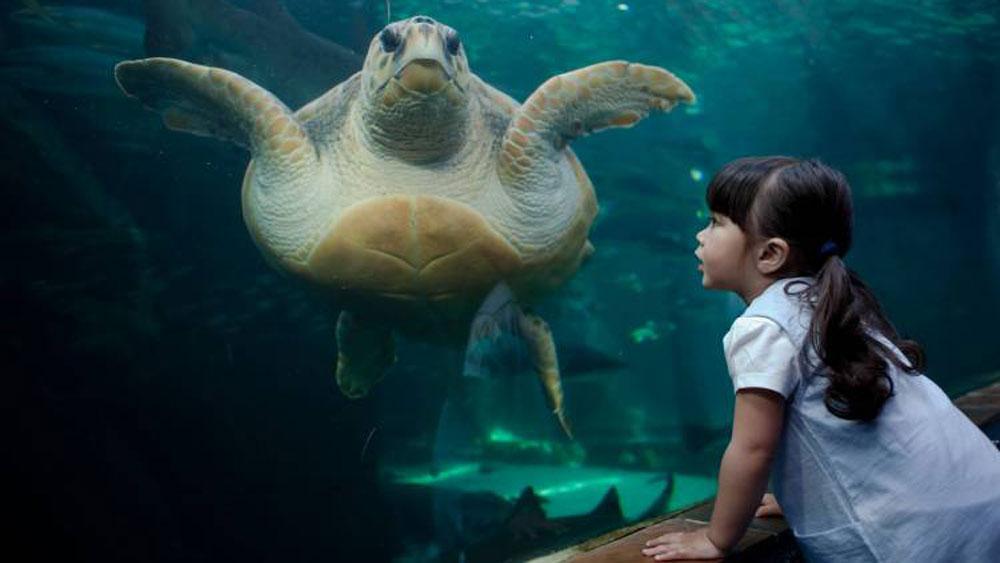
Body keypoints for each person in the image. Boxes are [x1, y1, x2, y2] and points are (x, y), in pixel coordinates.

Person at [641, 156, 1000, 562]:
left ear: (770, 254)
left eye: (716, 222)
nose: (701, 236)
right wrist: (800, 494)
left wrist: (717, 539)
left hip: (906, 543)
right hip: (979, 504)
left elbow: (752, 449)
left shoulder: (762, 326)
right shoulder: (831, 304)